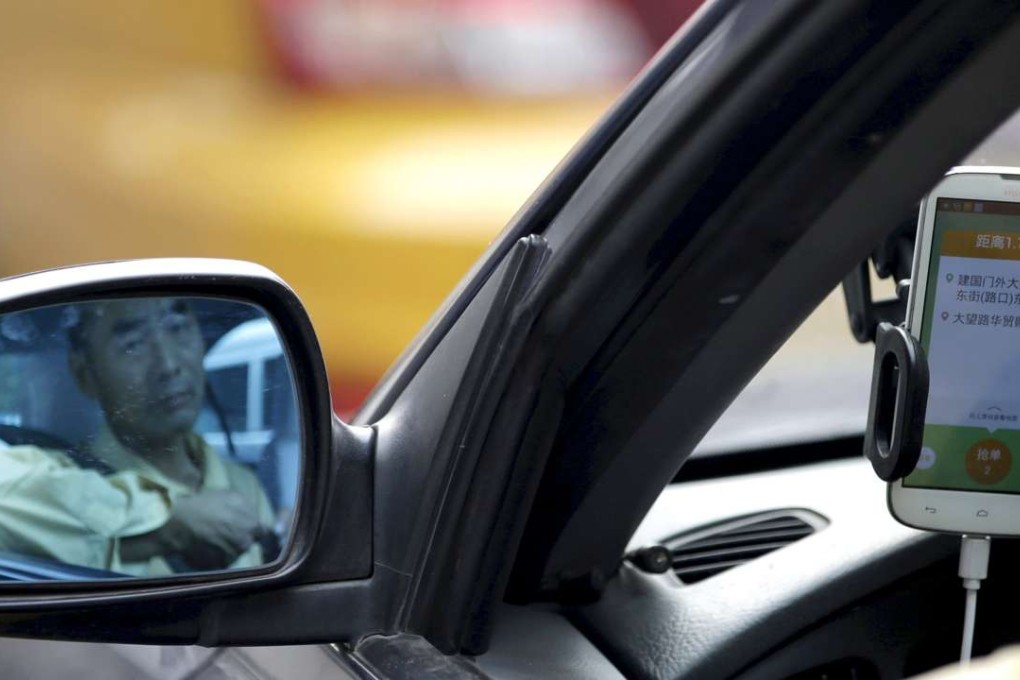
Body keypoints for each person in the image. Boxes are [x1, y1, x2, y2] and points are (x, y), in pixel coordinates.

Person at [0, 298, 275, 577]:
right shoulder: (64, 478)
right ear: (85, 375)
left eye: (178, 327)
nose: (169, 365)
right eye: (133, 344)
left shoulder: (244, 484)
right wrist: (168, 523)